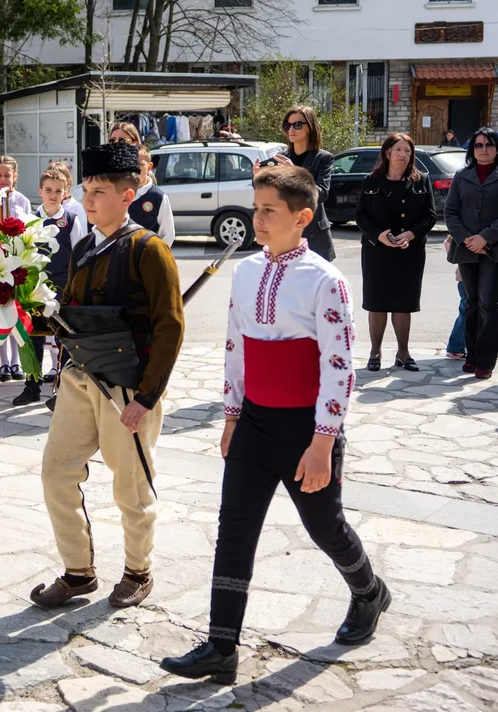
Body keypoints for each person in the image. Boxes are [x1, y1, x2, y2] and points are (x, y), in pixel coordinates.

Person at [160, 165, 388, 684]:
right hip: (255, 424)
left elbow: (338, 366)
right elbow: (236, 347)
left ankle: (369, 592)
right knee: (233, 528)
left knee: (323, 525)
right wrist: (232, 415)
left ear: (302, 218)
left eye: (269, 211)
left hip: (306, 430)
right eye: (256, 208)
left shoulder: (325, 280)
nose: (257, 219)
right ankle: (222, 645)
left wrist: (322, 441)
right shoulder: (245, 271)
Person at [29, 141, 183, 611]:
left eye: (98, 191)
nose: (88, 199)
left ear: (128, 194)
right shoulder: (82, 246)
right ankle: (78, 573)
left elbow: (170, 326)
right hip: (80, 379)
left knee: (131, 487)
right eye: (86, 190)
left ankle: (138, 571)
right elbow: (72, 312)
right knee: (57, 472)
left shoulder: (149, 250)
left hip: (128, 388)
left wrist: (147, 397)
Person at [444, 128, 498, 380]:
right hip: (466, 248)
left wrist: (485, 238)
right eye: (478, 145)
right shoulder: (462, 175)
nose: (483, 149)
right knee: (471, 303)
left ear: (497, 148)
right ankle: (472, 354)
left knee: (489, 302)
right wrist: (466, 239)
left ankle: (486, 360)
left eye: (489, 145)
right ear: (472, 150)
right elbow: (450, 212)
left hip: (495, 249)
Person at [354, 134, 436, 372]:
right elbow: (361, 215)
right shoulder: (372, 180)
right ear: (387, 153)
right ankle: (375, 351)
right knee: (377, 302)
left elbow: (430, 216)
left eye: (408, 151)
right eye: (398, 149)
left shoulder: (421, 180)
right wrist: (378, 235)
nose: (403, 154)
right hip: (377, 251)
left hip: (408, 251)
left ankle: (403, 352)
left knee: (403, 303)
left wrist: (411, 234)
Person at [13, 169, 87, 406]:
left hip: (62, 290)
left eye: (58, 191)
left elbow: (79, 257)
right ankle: (31, 384)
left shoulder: (72, 221)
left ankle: (64, 388)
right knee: (31, 337)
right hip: (34, 289)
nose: (53, 195)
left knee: (63, 338)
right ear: (39, 192)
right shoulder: (30, 220)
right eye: (48, 190)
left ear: (65, 193)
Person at [0, 155, 33, 381]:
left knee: (15, 310)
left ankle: (16, 361)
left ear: (15, 176)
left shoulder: (22, 201)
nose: (3, 179)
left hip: (15, 260)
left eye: (7, 175)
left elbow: (27, 228)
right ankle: (3, 362)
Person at [276, 106, 335, 260]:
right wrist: (258, 179)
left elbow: (322, 193)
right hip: (286, 232)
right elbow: (270, 194)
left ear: (310, 127)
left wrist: (295, 172)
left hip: (314, 236)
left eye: (297, 125)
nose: (292, 129)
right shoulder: (280, 158)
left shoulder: (323, 158)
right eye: (288, 125)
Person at [109, 122, 176, 246]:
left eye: (122, 140)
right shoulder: (106, 186)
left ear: (135, 143)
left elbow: (167, 237)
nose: (117, 144)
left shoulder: (157, 196)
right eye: (112, 140)